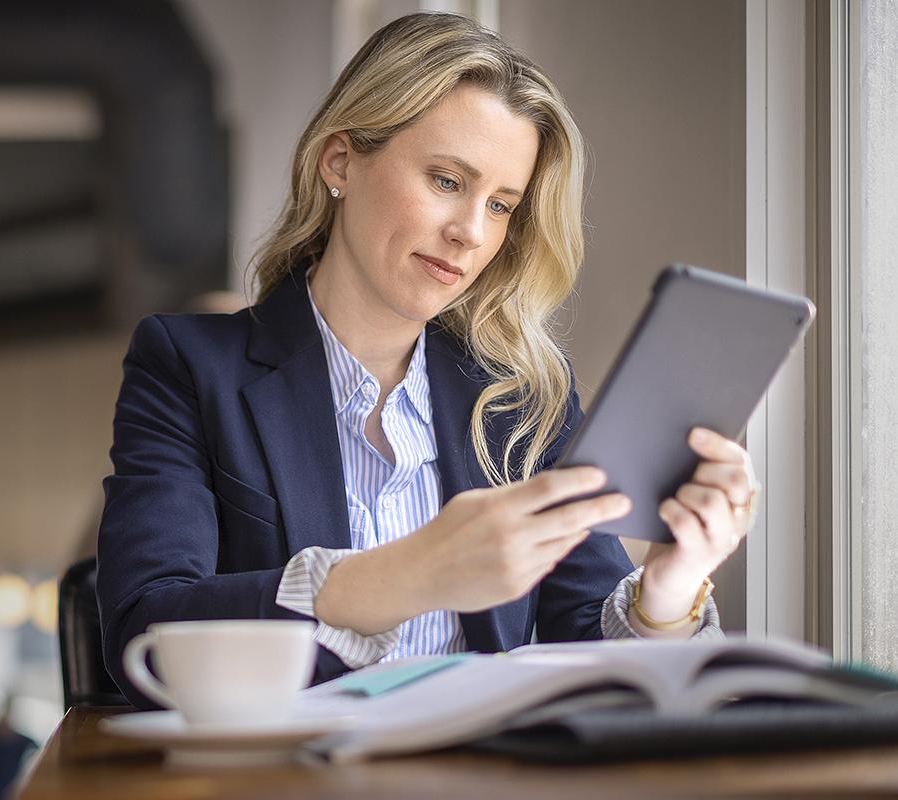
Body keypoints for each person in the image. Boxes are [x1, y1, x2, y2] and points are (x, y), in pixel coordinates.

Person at [96, 12, 759, 705]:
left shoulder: (524, 399)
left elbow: (587, 656)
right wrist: (413, 574)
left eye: (501, 205)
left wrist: (666, 588)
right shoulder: (187, 366)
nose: (470, 233)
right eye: (446, 180)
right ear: (340, 161)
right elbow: (146, 633)